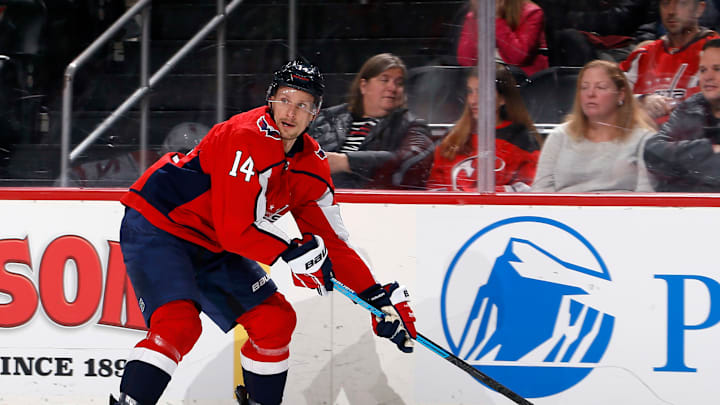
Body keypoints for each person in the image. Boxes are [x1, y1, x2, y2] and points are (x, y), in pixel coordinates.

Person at [109, 58, 417, 405]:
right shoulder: (243, 137)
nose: (292, 111)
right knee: (179, 324)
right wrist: (290, 252)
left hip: (211, 241)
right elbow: (234, 231)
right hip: (160, 224)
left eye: (303, 104)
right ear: (271, 100)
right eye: (285, 99)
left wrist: (376, 299)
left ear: (315, 113)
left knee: (274, 320)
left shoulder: (312, 168)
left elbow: (333, 243)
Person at [309, 53, 434, 190]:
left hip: (371, 202)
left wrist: (346, 162)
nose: (392, 88)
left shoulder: (412, 125)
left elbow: (413, 161)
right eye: (384, 80)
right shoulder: (328, 118)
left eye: (399, 83)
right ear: (363, 86)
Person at [532, 59, 657, 192]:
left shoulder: (644, 139)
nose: (590, 94)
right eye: (584, 87)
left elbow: (646, 196)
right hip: (563, 211)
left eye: (600, 87)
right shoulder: (560, 135)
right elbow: (540, 189)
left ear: (621, 95)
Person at [427, 64, 542, 192]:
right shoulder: (452, 138)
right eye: (470, 92)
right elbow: (434, 188)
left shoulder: (523, 141)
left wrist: (479, 197)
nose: (473, 100)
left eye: (481, 92)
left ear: (502, 99)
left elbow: (530, 192)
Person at [620, 0, 719, 123]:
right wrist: (641, 99)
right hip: (640, 135)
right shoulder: (644, 54)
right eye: (665, 3)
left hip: (696, 136)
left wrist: (671, 104)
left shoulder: (714, 52)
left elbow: (710, 103)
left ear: (699, 9)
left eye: (682, 3)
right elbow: (611, 93)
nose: (671, 11)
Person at [644, 39, 720, 191]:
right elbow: (653, 152)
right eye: (703, 70)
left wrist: (683, 163)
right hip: (683, 207)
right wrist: (709, 149)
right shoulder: (692, 107)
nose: (707, 77)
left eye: (717, 69)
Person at [457, 0, 549, 77]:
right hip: (485, 84)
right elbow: (465, 60)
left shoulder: (532, 13)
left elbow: (518, 58)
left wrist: (496, 19)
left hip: (520, 84)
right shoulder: (473, 16)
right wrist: (476, 18)